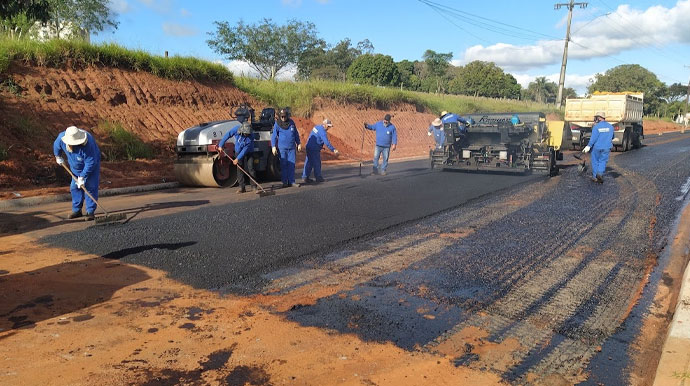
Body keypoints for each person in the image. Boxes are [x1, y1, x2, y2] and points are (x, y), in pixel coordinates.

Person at [53, 126, 101, 221]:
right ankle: (77, 210)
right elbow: (56, 146)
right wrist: (57, 156)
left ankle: (90, 212)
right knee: (74, 187)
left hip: (91, 167)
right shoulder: (61, 138)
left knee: (90, 186)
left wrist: (82, 177)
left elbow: (90, 162)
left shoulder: (88, 143)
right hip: (75, 167)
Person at [217, 107, 255, 193]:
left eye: (247, 134)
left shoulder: (250, 137)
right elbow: (227, 135)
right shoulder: (236, 129)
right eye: (245, 134)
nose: (246, 135)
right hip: (238, 150)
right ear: (242, 131)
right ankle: (242, 187)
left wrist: (237, 159)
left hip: (249, 151)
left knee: (251, 168)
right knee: (239, 168)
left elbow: (245, 150)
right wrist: (220, 145)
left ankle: (254, 187)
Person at [271, 108, 301, 187]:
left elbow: (296, 134)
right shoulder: (277, 124)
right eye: (282, 117)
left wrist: (299, 143)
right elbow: (274, 136)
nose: (283, 118)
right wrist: (273, 146)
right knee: (283, 165)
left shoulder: (291, 123)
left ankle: (292, 181)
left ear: (287, 116)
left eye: (284, 116)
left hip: (291, 148)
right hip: (282, 148)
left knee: (292, 165)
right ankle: (284, 182)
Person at [302, 119, 339, 184]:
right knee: (317, 163)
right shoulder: (323, 131)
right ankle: (318, 177)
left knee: (309, 162)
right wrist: (334, 150)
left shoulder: (317, 127)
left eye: (329, 127)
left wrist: (320, 145)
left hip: (309, 146)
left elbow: (317, 137)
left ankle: (305, 177)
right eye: (328, 126)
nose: (328, 128)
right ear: (324, 124)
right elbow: (327, 142)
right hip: (314, 149)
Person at [582, 111, 614, 184]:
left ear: (599, 118)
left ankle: (595, 177)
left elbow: (593, 138)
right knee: (603, 161)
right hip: (606, 147)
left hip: (597, 147)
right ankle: (600, 173)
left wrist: (588, 146)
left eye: (596, 117)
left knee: (595, 161)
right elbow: (613, 136)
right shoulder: (610, 126)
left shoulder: (596, 127)